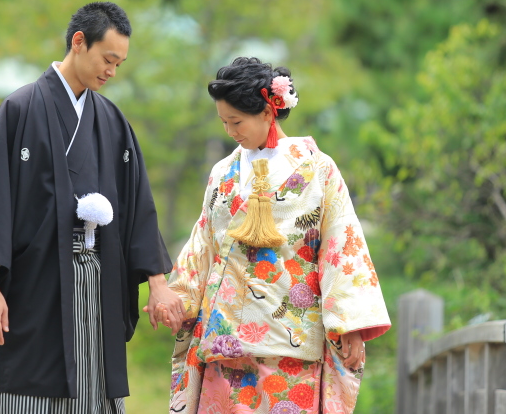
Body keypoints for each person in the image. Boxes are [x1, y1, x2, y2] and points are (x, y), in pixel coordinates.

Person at [0, 1, 185, 414]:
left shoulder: (113, 121)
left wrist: (158, 284)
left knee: (93, 389)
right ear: (79, 42)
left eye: (119, 64)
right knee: (26, 392)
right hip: (33, 283)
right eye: (107, 59)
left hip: (98, 281)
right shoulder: (19, 109)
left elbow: (138, 206)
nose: (112, 72)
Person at [164, 57, 391, 414]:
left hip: (289, 337)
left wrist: (350, 325)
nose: (230, 131)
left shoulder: (317, 169)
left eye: (236, 121)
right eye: (224, 122)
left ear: (268, 112)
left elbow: (341, 245)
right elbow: (203, 243)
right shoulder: (223, 172)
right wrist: (176, 298)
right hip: (222, 337)